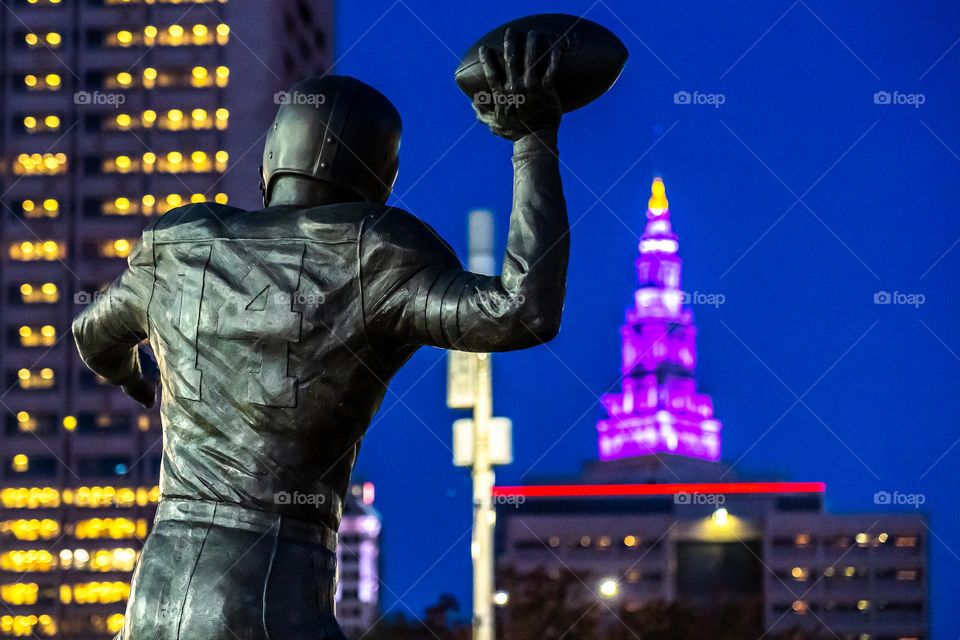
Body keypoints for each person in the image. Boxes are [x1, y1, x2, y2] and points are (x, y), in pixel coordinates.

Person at [73, 29, 567, 639]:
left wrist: (141, 376)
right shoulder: (373, 256)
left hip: (156, 591)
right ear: (380, 175)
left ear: (271, 158)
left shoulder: (180, 250)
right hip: (270, 585)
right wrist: (532, 140)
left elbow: (91, 335)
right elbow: (522, 311)